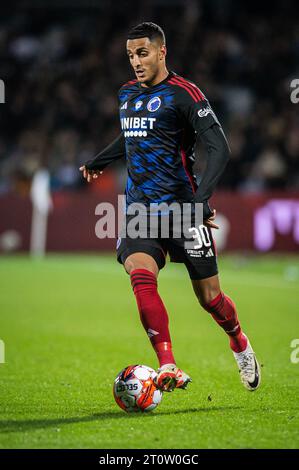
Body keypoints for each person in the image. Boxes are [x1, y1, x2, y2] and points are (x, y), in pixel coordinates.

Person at [80, 22, 261, 393]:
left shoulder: (184, 94)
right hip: (139, 210)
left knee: (210, 299)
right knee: (140, 277)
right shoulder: (127, 93)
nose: (135, 61)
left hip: (182, 209)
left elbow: (219, 148)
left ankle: (239, 341)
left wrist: (200, 201)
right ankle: (168, 364)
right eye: (130, 55)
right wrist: (101, 159)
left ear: (162, 52)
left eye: (142, 53)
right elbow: (132, 134)